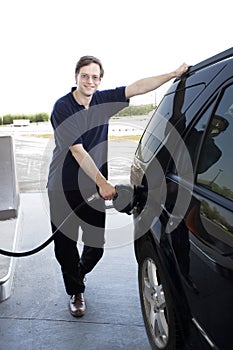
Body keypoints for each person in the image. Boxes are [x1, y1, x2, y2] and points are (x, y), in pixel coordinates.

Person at [47, 55, 189, 317]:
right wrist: (103, 182)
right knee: (65, 244)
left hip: (94, 189)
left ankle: (76, 276)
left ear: (100, 80)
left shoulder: (102, 101)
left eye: (95, 77)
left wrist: (172, 74)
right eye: (85, 76)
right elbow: (77, 151)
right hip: (63, 187)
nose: (90, 81)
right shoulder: (62, 107)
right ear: (76, 77)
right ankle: (76, 291)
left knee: (95, 246)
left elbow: (137, 87)